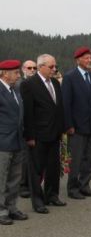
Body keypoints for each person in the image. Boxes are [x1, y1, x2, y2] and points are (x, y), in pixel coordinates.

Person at [20, 54, 66, 213]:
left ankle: (52, 195)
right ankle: (38, 201)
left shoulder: (55, 83)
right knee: (36, 169)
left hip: (54, 133)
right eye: (51, 67)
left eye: (55, 66)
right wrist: (30, 136)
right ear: (41, 67)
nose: (54, 69)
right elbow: (28, 112)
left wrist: (61, 130)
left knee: (53, 167)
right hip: (38, 135)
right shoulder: (29, 84)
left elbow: (58, 108)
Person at [62, 46, 91, 199]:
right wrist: (69, 125)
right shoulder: (69, 77)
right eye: (86, 58)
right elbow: (66, 104)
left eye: (90, 58)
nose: (89, 60)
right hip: (76, 127)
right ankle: (72, 189)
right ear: (78, 60)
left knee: (90, 158)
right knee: (77, 159)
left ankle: (84, 185)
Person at [0, 60, 28, 225]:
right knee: (1, 178)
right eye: (16, 72)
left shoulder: (15, 90)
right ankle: (1, 210)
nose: (19, 75)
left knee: (15, 177)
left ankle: (11, 207)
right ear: (4, 73)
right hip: (3, 141)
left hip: (18, 140)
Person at [15, 59, 37, 198]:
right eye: (29, 68)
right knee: (25, 157)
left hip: (36, 125)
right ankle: (23, 185)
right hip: (23, 126)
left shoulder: (36, 84)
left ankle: (31, 182)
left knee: (34, 157)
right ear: (23, 69)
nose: (32, 70)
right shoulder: (19, 84)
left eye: (34, 68)